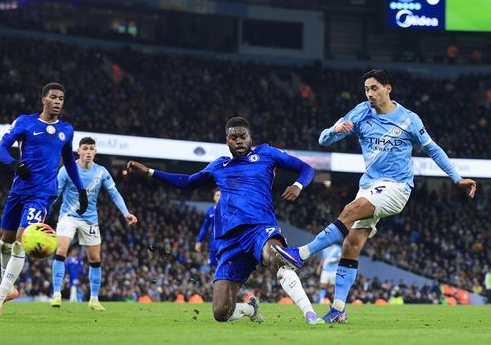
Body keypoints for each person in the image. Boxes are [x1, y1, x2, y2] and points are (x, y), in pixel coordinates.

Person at [272, 70, 477, 323]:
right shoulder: (360, 112)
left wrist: (456, 178)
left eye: (374, 88)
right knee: (350, 245)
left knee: (349, 210)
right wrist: (336, 129)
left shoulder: (408, 119)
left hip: (397, 187)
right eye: (366, 89)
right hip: (369, 185)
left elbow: (433, 150)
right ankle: (338, 309)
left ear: (387, 88)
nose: (370, 93)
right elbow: (323, 139)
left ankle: (301, 254)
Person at [126, 117, 322, 324]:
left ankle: (310, 314)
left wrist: (298, 185)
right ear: (227, 141)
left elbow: (307, 169)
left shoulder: (267, 153)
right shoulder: (219, 166)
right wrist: (150, 172)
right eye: (233, 137)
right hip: (229, 240)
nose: (239, 141)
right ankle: (250, 308)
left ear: (250, 138)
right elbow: (186, 182)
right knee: (221, 313)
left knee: (276, 258)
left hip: (260, 228)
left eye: (243, 137)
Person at [0, 83, 88, 316]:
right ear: (43, 99)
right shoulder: (25, 122)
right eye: (53, 97)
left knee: (22, 239)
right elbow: (0, 149)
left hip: (42, 194)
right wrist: (14, 164)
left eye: (61, 98)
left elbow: (69, 162)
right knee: (6, 240)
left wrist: (80, 189)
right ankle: (9, 287)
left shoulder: (66, 130)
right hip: (19, 190)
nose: (58, 101)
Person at [50, 137, 138, 310]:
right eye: (85, 148)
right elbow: (55, 194)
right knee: (61, 250)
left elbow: (114, 193)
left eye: (91, 148)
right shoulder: (67, 170)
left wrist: (126, 213)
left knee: (95, 258)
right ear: (79, 151)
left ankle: (94, 299)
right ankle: (56, 294)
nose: (89, 152)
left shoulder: (101, 172)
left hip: (90, 219)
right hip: (68, 216)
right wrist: (42, 211)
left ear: (95, 152)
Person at [195, 189, 221, 269]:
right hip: (213, 244)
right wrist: (199, 240)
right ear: (213, 197)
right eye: (217, 195)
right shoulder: (210, 211)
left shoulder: (229, 211)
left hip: (225, 243)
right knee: (212, 265)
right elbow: (204, 227)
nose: (220, 197)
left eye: (221, 195)